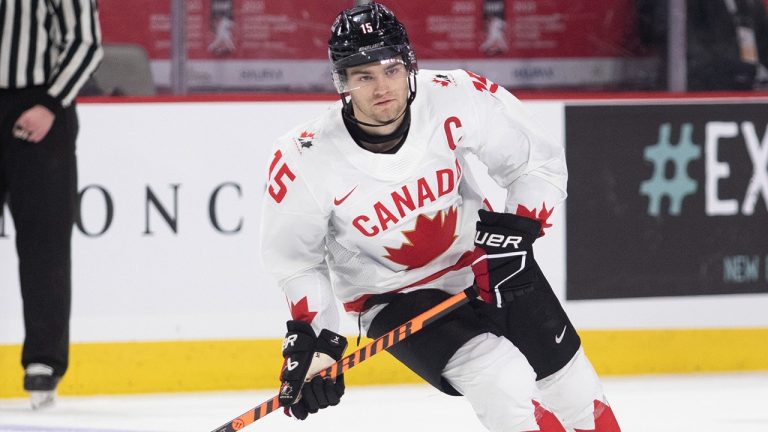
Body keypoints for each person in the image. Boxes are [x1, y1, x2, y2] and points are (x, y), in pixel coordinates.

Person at [260, 3, 620, 431]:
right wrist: (316, 341)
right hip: (391, 298)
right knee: (504, 383)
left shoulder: (455, 94)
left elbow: (536, 163)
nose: (382, 88)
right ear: (343, 83)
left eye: (391, 69)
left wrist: (515, 235)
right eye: (364, 76)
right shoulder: (305, 158)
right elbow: (297, 260)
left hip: (487, 262)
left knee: (577, 394)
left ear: (410, 65)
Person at [0, 0, 103, 409]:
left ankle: (43, 359)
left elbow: (85, 42)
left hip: (41, 108)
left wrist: (50, 103)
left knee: (45, 244)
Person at [687, 0, 768, 91]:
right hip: (714, 92)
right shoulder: (692, 5)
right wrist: (749, 71)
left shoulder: (753, 5)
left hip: (755, 90)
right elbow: (697, 56)